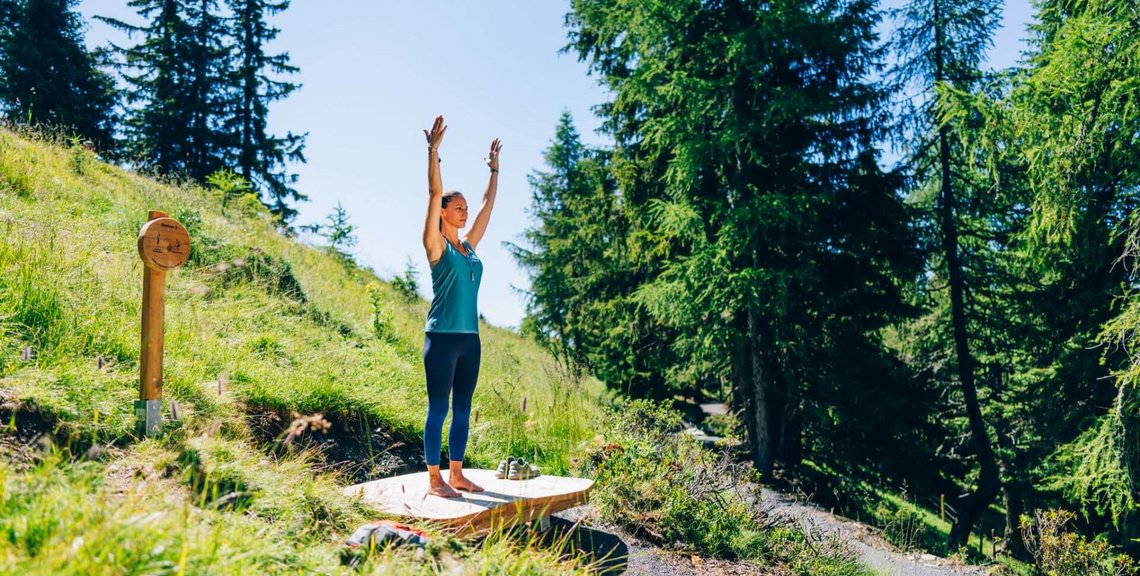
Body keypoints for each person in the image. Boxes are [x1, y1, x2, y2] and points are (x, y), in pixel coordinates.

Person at [420, 115, 502, 498]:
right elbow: (433, 194)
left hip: (470, 339)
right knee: (439, 408)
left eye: (465, 208)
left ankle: (457, 473)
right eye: (458, 208)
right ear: (443, 212)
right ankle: (434, 480)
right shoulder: (436, 245)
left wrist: (494, 171)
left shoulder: (469, 248)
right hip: (441, 337)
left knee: (463, 408)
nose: (465, 212)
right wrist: (434, 153)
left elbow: (488, 205)